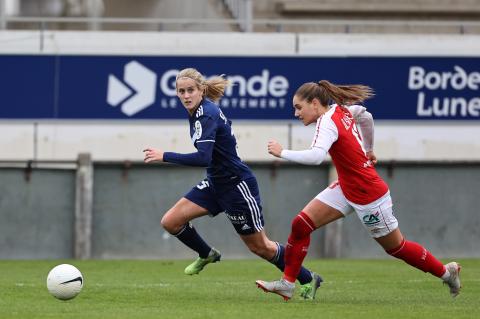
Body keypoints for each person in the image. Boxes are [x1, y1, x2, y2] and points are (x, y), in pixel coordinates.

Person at [255, 80, 461, 301]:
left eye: (298, 107)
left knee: (396, 248)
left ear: (314, 103)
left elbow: (316, 156)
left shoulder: (327, 121)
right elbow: (365, 116)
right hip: (346, 187)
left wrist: (282, 152)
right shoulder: (341, 110)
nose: (296, 113)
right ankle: (287, 284)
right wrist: (369, 149)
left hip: (367, 194)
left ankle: (445, 272)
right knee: (300, 225)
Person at [143, 68, 323, 300]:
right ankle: (206, 254)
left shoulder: (207, 114)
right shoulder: (197, 112)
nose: (186, 95)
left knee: (261, 247)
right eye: (181, 91)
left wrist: (164, 155)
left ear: (201, 91)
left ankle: (308, 279)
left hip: (236, 186)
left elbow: (203, 157)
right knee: (171, 221)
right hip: (215, 183)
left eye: (190, 90)